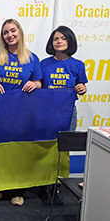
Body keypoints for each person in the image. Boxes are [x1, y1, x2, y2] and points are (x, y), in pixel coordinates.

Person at [0, 19, 42, 206]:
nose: (9, 35)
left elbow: (39, 82)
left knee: (19, 150)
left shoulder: (32, 58)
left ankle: (18, 191)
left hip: (23, 113)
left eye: (13, 31)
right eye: (5, 33)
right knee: (0, 149)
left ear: (20, 32)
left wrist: (35, 84)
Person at [39, 25, 88, 205]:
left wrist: (82, 89)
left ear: (70, 42)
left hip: (67, 113)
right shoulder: (43, 64)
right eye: (55, 39)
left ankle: (56, 184)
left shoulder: (77, 65)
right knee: (46, 147)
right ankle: (44, 184)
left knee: (63, 148)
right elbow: (39, 85)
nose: (59, 41)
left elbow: (82, 87)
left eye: (63, 38)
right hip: (46, 112)